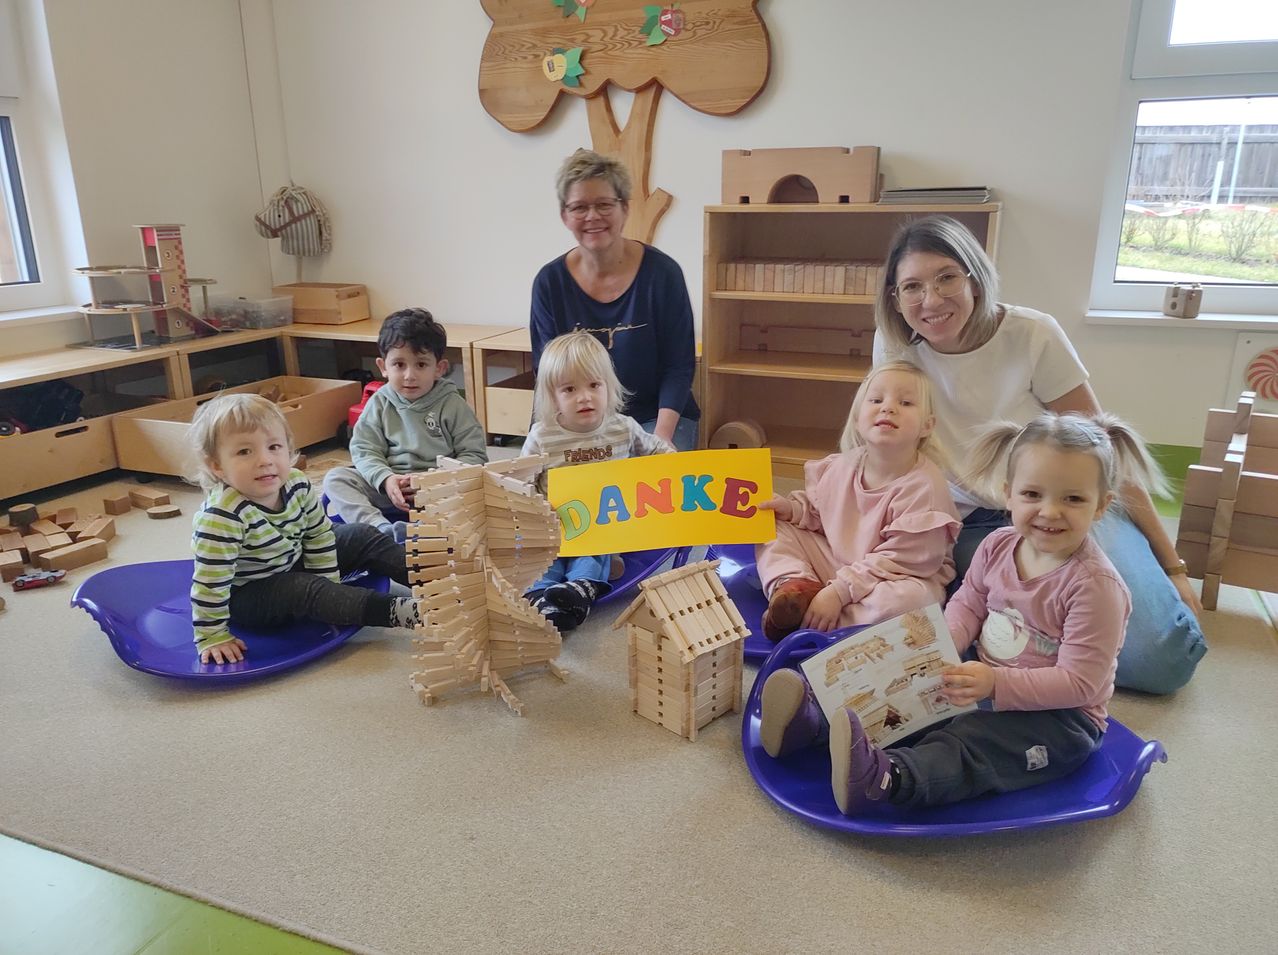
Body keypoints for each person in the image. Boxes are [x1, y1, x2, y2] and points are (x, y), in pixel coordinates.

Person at [871, 215, 1206, 695]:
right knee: (981, 637)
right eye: (912, 287)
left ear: (975, 277)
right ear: (895, 298)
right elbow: (883, 450)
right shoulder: (895, 345)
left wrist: (1172, 566)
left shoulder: (1032, 334)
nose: (932, 299)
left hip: (1067, 505)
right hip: (969, 524)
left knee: (1159, 659)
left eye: (947, 277)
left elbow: (1104, 452)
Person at [762, 411, 1157, 815]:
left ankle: (887, 780)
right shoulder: (997, 546)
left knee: (973, 741)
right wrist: (941, 645)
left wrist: (996, 684)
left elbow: (1080, 683)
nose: (1050, 512)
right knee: (903, 683)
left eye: (1072, 499)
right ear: (1008, 494)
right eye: (1032, 494)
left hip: (1059, 719)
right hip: (981, 677)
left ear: (1101, 506)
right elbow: (969, 603)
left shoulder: (1096, 587)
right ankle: (814, 722)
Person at [188, 393, 420, 665]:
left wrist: (330, 588)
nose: (265, 460)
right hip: (249, 595)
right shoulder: (220, 517)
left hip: (292, 561)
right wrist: (212, 635)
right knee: (302, 588)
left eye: (274, 447)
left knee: (360, 534)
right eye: (244, 452)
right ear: (217, 465)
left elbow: (318, 535)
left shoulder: (297, 483)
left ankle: (433, 580)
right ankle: (409, 612)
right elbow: (210, 584)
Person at [755, 361, 960, 642]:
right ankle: (796, 587)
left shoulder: (925, 488)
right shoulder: (842, 466)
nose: (888, 408)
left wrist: (839, 592)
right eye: (876, 400)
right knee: (772, 526)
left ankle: (825, 622)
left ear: (927, 426)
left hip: (893, 577)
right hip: (838, 563)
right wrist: (792, 510)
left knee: (912, 602)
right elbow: (818, 513)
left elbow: (902, 561)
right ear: (857, 418)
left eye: (906, 403)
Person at [530, 148, 699, 451]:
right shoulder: (549, 283)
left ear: (625, 208)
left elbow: (679, 367)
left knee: (650, 478)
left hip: (656, 418)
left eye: (604, 204)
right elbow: (547, 373)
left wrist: (660, 438)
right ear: (565, 215)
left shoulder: (663, 274)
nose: (592, 216)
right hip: (580, 421)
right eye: (579, 207)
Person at [522, 331, 675, 632]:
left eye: (594, 385)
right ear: (553, 396)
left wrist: (673, 460)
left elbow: (656, 449)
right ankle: (542, 598)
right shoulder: (542, 436)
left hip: (603, 525)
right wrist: (533, 509)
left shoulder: (623, 427)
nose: (585, 397)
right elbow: (522, 481)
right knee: (540, 557)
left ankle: (580, 589)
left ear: (608, 386)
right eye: (569, 389)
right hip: (554, 524)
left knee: (597, 550)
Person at [324, 308, 487, 541]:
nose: (410, 375)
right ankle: (379, 530)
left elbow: (475, 456)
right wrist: (386, 479)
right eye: (399, 364)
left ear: (439, 368)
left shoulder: (453, 404)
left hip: (438, 491)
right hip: (389, 488)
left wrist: (434, 480)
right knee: (336, 478)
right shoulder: (379, 402)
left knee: (482, 490)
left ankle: (428, 530)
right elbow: (364, 449)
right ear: (383, 366)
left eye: (421, 365)